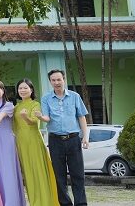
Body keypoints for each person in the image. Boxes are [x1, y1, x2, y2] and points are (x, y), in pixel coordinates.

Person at [40, 69, 90, 206]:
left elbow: (81, 117)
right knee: (59, 176)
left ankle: (81, 203)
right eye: (53, 80)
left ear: (64, 80)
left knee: (78, 174)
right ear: (50, 82)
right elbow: (46, 117)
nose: (56, 82)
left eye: (59, 79)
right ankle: (65, 204)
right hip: (55, 140)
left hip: (73, 139)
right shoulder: (46, 98)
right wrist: (40, 117)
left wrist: (85, 136)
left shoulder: (74, 96)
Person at [14, 79, 58, 206]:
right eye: (20, 88)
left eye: (25, 88)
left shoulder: (35, 104)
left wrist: (25, 117)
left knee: (39, 172)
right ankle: (34, 202)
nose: (22, 90)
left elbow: (33, 122)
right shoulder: (16, 107)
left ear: (31, 90)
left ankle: (45, 202)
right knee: (28, 174)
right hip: (21, 143)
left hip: (34, 141)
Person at [0, 81, 25, 206]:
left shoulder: (8, 105)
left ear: (3, 91)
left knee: (8, 172)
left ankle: (12, 202)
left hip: (6, 143)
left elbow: (1, 115)